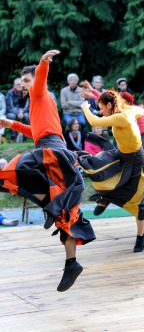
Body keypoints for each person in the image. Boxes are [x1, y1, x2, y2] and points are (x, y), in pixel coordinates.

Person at [0, 50, 96, 292]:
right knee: (67, 216)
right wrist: (12, 124)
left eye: (25, 80)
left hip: (52, 151)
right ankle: (71, 264)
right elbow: (37, 131)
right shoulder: (42, 103)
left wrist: (43, 63)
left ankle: (51, 208)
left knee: (17, 168)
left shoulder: (38, 91)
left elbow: (40, 78)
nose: (23, 85)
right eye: (22, 82)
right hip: (55, 149)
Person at [78, 90, 144, 253]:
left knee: (139, 201)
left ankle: (140, 236)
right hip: (121, 156)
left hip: (137, 162)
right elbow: (141, 110)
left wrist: (85, 107)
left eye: (102, 108)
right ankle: (104, 198)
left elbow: (94, 120)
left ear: (110, 105)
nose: (101, 112)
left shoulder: (121, 117)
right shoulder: (129, 111)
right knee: (99, 169)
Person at [6, 78, 30, 143]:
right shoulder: (10, 93)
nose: (20, 86)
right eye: (18, 84)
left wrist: (21, 112)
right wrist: (17, 113)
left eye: (21, 84)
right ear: (14, 86)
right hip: (13, 111)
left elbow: (28, 106)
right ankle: (13, 138)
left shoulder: (26, 92)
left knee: (27, 116)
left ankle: (25, 138)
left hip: (23, 111)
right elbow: (9, 107)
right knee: (11, 116)